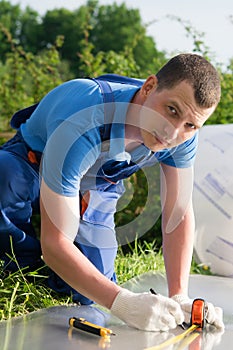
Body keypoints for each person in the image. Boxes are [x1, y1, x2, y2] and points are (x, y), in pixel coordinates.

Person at [0, 53, 224, 331]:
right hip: (32, 160)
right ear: (149, 87)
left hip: (96, 182)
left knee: (87, 291)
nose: (172, 132)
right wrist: (123, 303)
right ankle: (18, 262)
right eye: (171, 110)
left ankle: (57, 275)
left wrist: (179, 296)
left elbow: (177, 213)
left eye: (190, 126)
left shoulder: (184, 131)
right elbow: (56, 242)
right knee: (5, 181)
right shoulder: (86, 116)